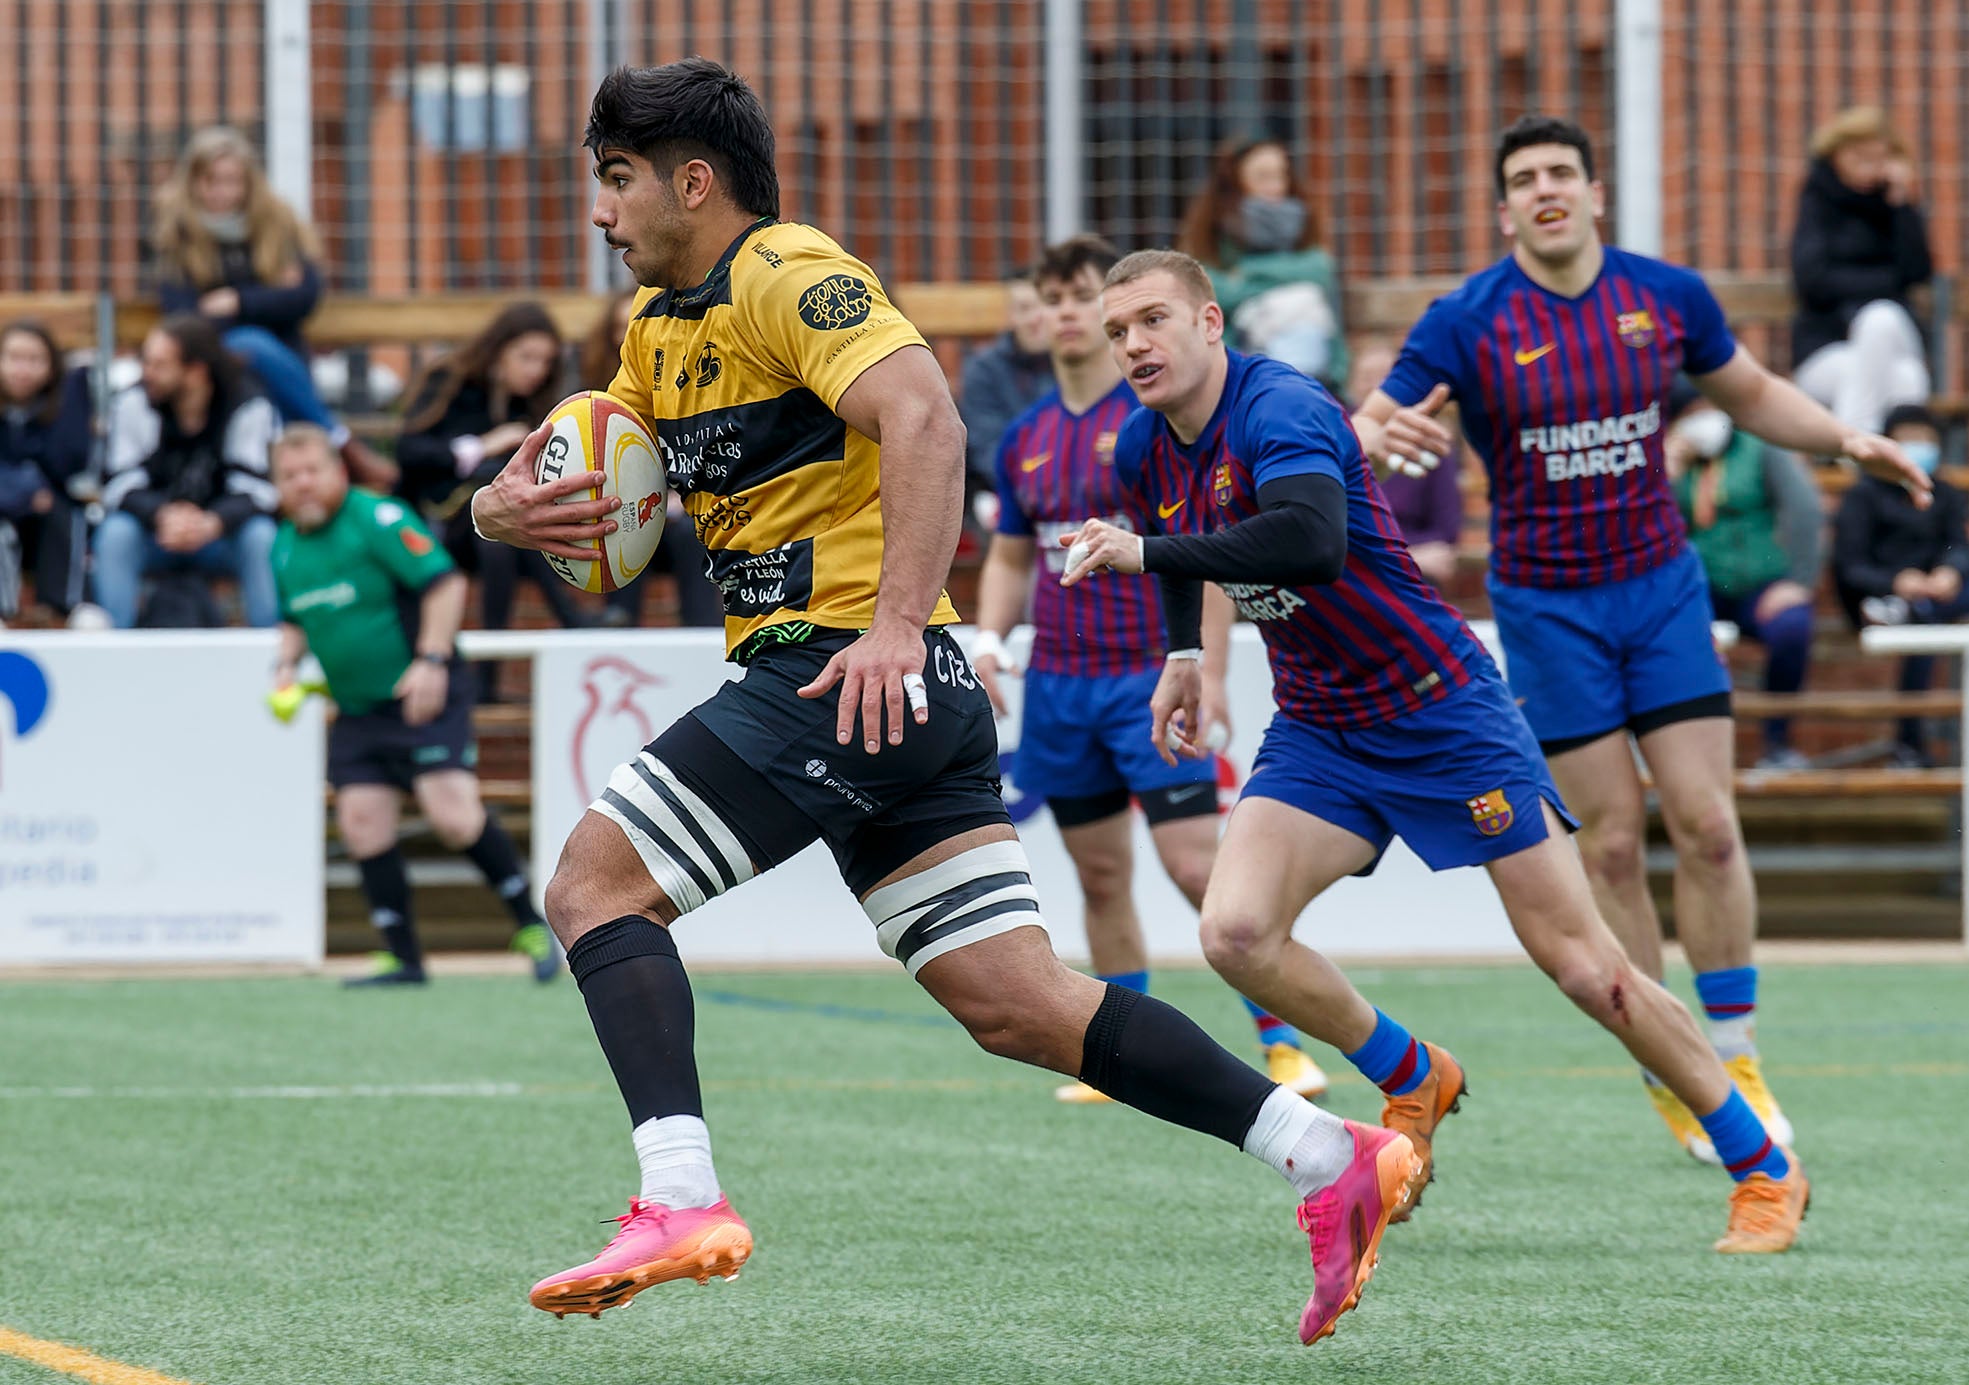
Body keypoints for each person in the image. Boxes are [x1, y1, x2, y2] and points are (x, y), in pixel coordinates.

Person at [473, 59, 1414, 1345]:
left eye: (617, 179)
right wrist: (500, 509)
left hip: (842, 669)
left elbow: (925, 418)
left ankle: (680, 1196)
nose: (601, 210)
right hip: (893, 695)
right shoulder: (659, 328)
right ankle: (1326, 1151)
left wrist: (895, 627)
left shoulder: (790, 272)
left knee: (592, 886)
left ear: (694, 182)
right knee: (1018, 1002)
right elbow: (598, 478)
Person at [1065, 249, 1811, 1287]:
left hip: (1442, 711)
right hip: (1321, 726)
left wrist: (1145, 553)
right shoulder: (1146, 444)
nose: (1133, 344)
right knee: (1234, 933)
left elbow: (1310, 541)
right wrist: (1183, 653)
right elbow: (1174, 539)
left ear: (1209, 321)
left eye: (1151, 319)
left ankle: (1762, 1164)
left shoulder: (1281, 405)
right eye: (1117, 331)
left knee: (1586, 967)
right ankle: (1413, 1072)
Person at [1353, 115, 1927, 1164]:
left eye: (1560, 172)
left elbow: (1751, 394)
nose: (1544, 189)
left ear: (1593, 192)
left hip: (1660, 592)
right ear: (1504, 210)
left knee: (1708, 824)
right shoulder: (1464, 319)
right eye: (1524, 178)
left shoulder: (1663, 296)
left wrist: (1849, 438)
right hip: (1547, 609)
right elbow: (1364, 433)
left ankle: (1735, 1052)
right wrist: (1378, 438)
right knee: (1611, 844)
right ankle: (1670, 1061)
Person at [972, 232, 1329, 1104]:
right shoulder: (1024, 436)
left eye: (1080, 296)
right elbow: (1011, 554)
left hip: (1144, 674)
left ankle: (1284, 1045)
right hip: (1059, 686)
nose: (1066, 313)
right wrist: (987, 640)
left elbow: (1203, 550)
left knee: (1198, 870)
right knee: (1099, 876)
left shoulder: (1151, 425)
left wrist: (1206, 665)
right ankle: (1118, 1059)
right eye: (1053, 298)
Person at [268, 426, 559, 986]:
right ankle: (405, 959)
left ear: (338, 471)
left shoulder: (377, 518)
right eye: (289, 475)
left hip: (424, 693)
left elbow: (445, 585)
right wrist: (284, 666)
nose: (302, 484)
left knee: (452, 816)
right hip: (358, 708)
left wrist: (430, 660)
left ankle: (531, 925)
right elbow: (293, 618)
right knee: (361, 824)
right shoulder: (282, 544)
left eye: (311, 471)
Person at [152, 126, 396, 490]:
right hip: (216, 365)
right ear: (193, 182)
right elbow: (186, 319)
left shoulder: (276, 224)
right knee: (249, 345)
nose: (222, 191)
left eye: (232, 181)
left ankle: (290, 488)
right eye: (211, 180)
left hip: (285, 361)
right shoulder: (178, 235)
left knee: (259, 360)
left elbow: (304, 297)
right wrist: (266, 298)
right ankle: (340, 445)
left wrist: (237, 301)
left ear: (249, 183)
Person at [395, 302, 586, 661]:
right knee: (500, 532)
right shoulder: (450, 379)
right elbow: (409, 451)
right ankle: (571, 621)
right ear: (498, 350)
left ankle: (494, 666)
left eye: (545, 361)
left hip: (491, 528)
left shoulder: (529, 402)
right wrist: (481, 447)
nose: (536, 370)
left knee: (504, 535)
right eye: (526, 357)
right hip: (437, 518)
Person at [1664, 383, 1823, 770]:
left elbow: (1804, 507)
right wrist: (1668, 472)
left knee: (1791, 628)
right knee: (1664, 640)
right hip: (1697, 587)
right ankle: (1682, 755)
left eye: (1709, 406)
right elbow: (1648, 529)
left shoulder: (1758, 447)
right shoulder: (1667, 457)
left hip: (1759, 584)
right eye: (1691, 413)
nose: (1703, 418)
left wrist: (1799, 582)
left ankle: (1777, 743)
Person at [95, 315, 281, 628]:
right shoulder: (133, 402)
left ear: (196, 371)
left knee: (261, 537)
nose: (147, 373)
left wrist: (213, 522)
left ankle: (271, 647)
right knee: (116, 534)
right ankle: (114, 644)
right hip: (153, 535)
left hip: (221, 537)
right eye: (146, 362)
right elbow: (117, 482)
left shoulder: (247, 404)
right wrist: (161, 516)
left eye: (159, 365)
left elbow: (259, 489)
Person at [576, 288, 722, 629]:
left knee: (690, 530)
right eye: (619, 328)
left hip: (682, 508)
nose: (627, 336)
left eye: (633, 326)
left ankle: (702, 630)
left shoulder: (687, 382)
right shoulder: (595, 391)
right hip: (625, 506)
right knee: (621, 523)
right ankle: (619, 624)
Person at [1833, 402, 1969, 767]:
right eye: (1907, 439)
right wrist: (1896, 581)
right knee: (1922, 623)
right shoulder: (1863, 496)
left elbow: (1958, 545)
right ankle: (1910, 744)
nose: (1918, 448)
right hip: (1878, 597)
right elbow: (1850, 566)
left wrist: (1950, 572)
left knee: (1928, 613)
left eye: (1925, 439)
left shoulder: (1946, 493)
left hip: (1939, 596)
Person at [1789, 107, 1934, 435]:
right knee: (1907, 379)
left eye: (1878, 158)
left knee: (1880, 319)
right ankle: (1895, 456)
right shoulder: (1818, 200)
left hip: (1892, 337)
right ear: (1837, 155)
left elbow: (1917, 271)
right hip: (1826, 348)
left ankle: (1853, 447)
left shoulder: (1893, 205)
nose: (1870, 168)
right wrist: (1886, 282)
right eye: (1860, 157)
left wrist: (1900, 203)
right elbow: (1811, 280)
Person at [1176, 137, 1348, 393]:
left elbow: (1320, 270)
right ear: (1236, 180)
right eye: (1263, 176)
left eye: (1281, 175)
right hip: (1239, 361)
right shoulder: (1213, 231)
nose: (1275, 186)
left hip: (1317, 362)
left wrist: (1249, 275)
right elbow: (1212, 290)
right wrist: (1290, 280)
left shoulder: (1303, 221)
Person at [1345, 338, 1460, 591]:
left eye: (1384, 379)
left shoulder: (1429, 441)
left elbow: (1446, 529)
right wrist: (1409, 555)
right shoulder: (1334, 438)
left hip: (1408, 573)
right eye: (1366, 377)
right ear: (1351, 384)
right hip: (1350, 568)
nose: (1375, 388)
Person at [0, 321, 91, 620]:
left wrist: (74, 392)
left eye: (35, 359)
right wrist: (26, 490)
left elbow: (69, 463)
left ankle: (66, 610)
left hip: (46, 519)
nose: (22, 369)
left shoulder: (67, 401)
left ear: (52, 367)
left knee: (64, 515)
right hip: (7, 509)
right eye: (14, 357)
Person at [958, 273, 1054, 508]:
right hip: (1005, 493)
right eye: (1025, 309)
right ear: (1010, 316)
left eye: (1045, 304)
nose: (1036, 318)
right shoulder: (984, 370)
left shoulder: (1078, 363)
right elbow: (989, 451)